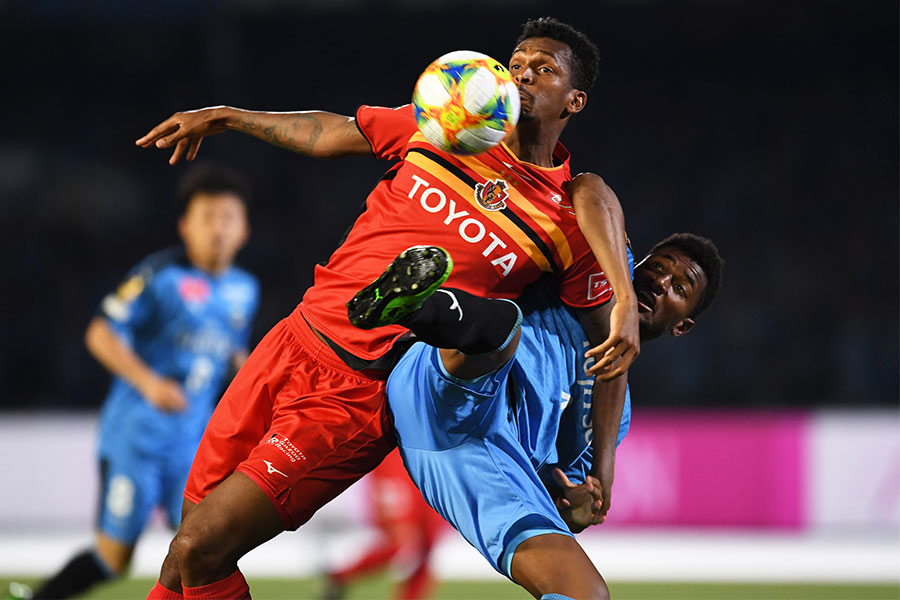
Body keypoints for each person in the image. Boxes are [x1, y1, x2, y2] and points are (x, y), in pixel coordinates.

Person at [136, 18, 640, 600]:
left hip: (355, 392)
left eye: (544, 70)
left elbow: (607, 350)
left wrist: (598, 470)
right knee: (185, 556)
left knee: (202, 546)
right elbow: (331, 133)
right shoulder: (442, 127)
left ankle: (413, 308)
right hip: (293, 337)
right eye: (517, 64)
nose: (523, 75)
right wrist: (229, 117)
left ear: (574, 101)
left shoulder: (566, 219)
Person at [366, 233, 723, 599]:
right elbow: (594, 202)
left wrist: (577, 505)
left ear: (682, 326)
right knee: (504, 329)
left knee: (585, 593)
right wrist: (606, 471)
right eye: (658, 266)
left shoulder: (614, 416)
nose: (660, 282)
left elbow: (561, 492)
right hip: (447, 390)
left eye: (679, 288)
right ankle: (414, 308)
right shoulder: (592, 269)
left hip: (478, 463)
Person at [11, 164, 258, 600]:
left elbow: (232, 354)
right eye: (207, 217)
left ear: (244, 231)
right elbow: (99, 333)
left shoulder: (244, 289)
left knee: (205, 546)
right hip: (135, 440)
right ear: (185, 226)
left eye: (228, 218)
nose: (218, 229)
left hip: (192, 446)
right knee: (114, 558)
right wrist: (149, 383)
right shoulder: (159, 276)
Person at [321, 450, 446, 600]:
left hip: (433, 461)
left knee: (428, 543)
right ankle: (341, 576)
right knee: (402, 539)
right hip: (396, 456)